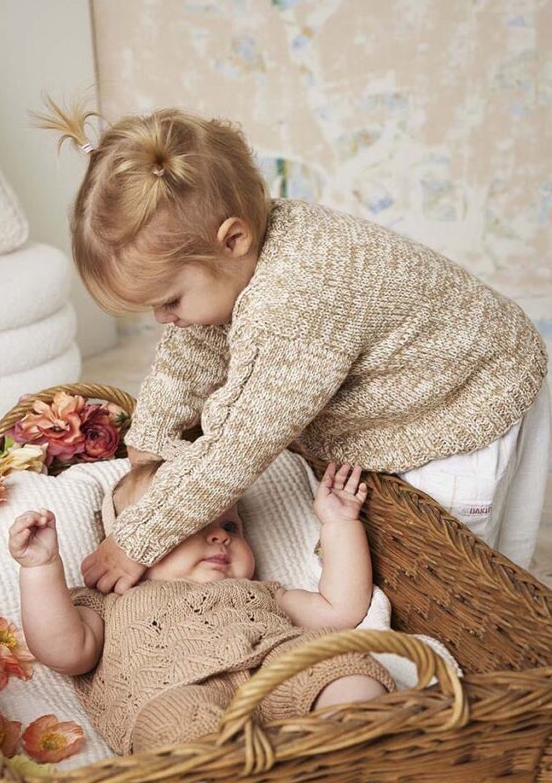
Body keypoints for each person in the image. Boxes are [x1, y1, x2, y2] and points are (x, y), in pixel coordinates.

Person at [30, 98, 550, 592]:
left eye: (170, 301)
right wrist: (152, 434)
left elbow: (237, 446)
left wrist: (137, 540)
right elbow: (191, 351)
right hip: (441, 361)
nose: (163, 319)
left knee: (456, 550)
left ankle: (493, 628)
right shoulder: (237, 257)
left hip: (471, 387)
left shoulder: (296, 300)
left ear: (233, 240)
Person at [8, 461, 396, 755]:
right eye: (188, 525)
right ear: (127, 545)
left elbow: (338, 610)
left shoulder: (261, 592)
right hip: (176, 693)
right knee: (180, 729)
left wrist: (339, 524)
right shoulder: (109, 602)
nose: (218, 537)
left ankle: (360, 750)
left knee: (337, 666)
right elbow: (65, 651)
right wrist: (41, 568)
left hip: (277, 666)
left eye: (230, 527)